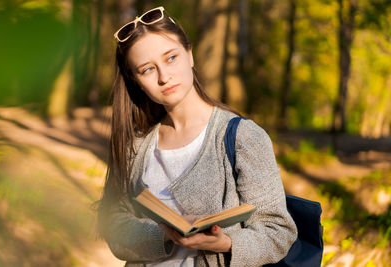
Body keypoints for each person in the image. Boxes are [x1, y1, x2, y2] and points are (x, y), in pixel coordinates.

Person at [97, 6, 297, 267]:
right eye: (147, 69)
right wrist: (162, 235)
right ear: (135, 80)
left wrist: (225, 244)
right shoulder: (135, 144)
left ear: (190, 55)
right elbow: (114, 222)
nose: (164, 76)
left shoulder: (242, 137)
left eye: (171, 58)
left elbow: (278, 231)